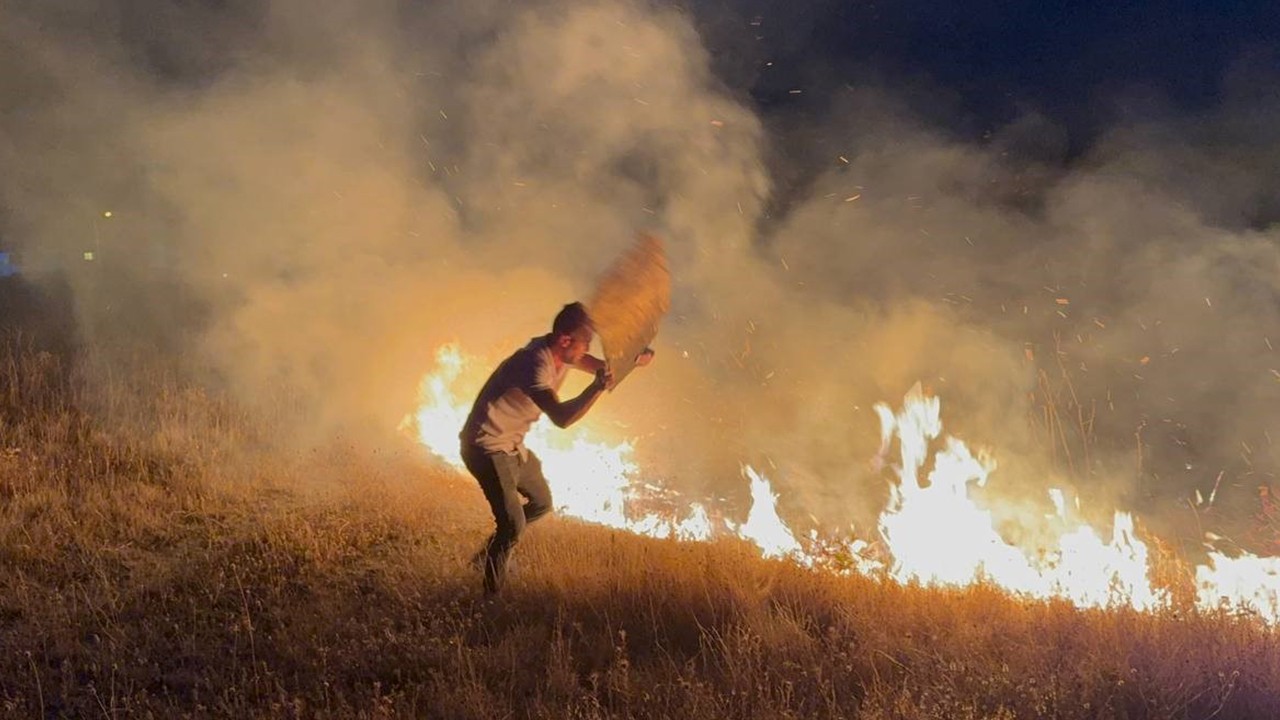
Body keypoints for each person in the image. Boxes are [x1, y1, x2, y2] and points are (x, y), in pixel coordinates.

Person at [459, 301, 654, 594]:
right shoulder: (534, 364)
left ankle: (486, 558)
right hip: (486, 448)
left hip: (512, 446)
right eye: (585, 342)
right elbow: (562, 418)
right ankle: (489, 599)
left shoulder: (562, 353)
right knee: (512, 526)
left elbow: (600, 366)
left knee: (541, 503)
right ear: (565, 339)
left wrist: (632, 361)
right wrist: (596, 388)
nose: (587, 349)